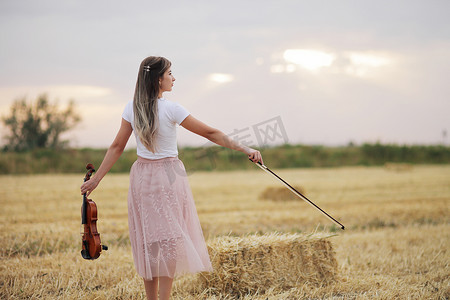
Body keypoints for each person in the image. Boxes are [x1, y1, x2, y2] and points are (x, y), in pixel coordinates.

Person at [80, 56, 263, 300]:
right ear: (158, 79)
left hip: (142, 178)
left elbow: (116, 147)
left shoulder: (131, 107)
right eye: (169, 74)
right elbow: (211, 133)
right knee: (169, 240)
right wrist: (246, 148)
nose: (173, 78)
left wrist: (96, 179)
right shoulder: (172, 109)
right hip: (168, 177)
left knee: (148, 241)